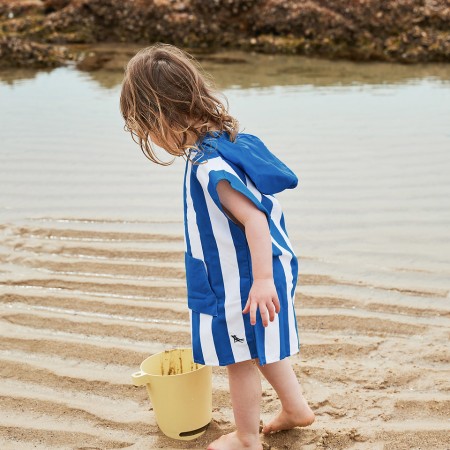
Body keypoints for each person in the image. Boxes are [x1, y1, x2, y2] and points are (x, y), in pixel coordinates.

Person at [120, 42, 315, 450]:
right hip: (258, 269)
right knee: (260, 345)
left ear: (161, 117)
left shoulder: (210, 166)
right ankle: (295, 409)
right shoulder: (225, 141)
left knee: (238, 358)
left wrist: (261, 281)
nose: (152, 140)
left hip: (243, 279)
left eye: (148, 130)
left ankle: (246, 438)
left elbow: (255, 220)